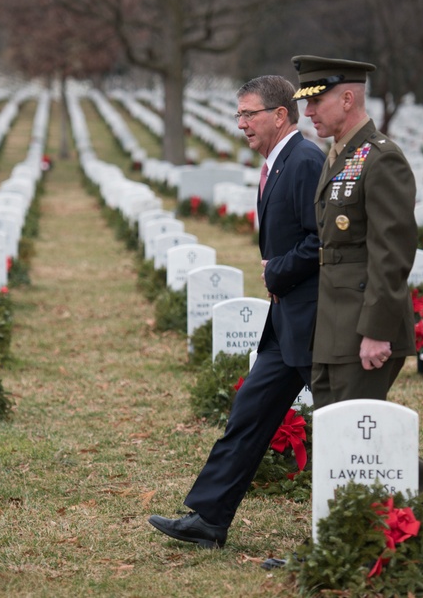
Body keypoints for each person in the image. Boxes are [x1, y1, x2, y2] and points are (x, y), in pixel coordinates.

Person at [148, 75, 325, 548]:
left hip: (313, 323)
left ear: (280, 115)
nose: (241, 123)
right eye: (239, 114)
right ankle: (208, 518)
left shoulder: (305, 162)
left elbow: (323, 239)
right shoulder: (279, 162)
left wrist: (276, 272)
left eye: (250, 114)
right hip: (287, 322)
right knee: (248, 415)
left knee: (349, 426)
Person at [293, 54, 423, 511]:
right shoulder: (340, 157)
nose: (307, 112)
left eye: (315, 101)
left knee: (363, 437)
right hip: (333, 324)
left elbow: (391, 255)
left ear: (347, 98)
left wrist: (377, 330)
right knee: (337, 434)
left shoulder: (380, 158)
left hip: (362, 324)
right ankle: (333, 532)